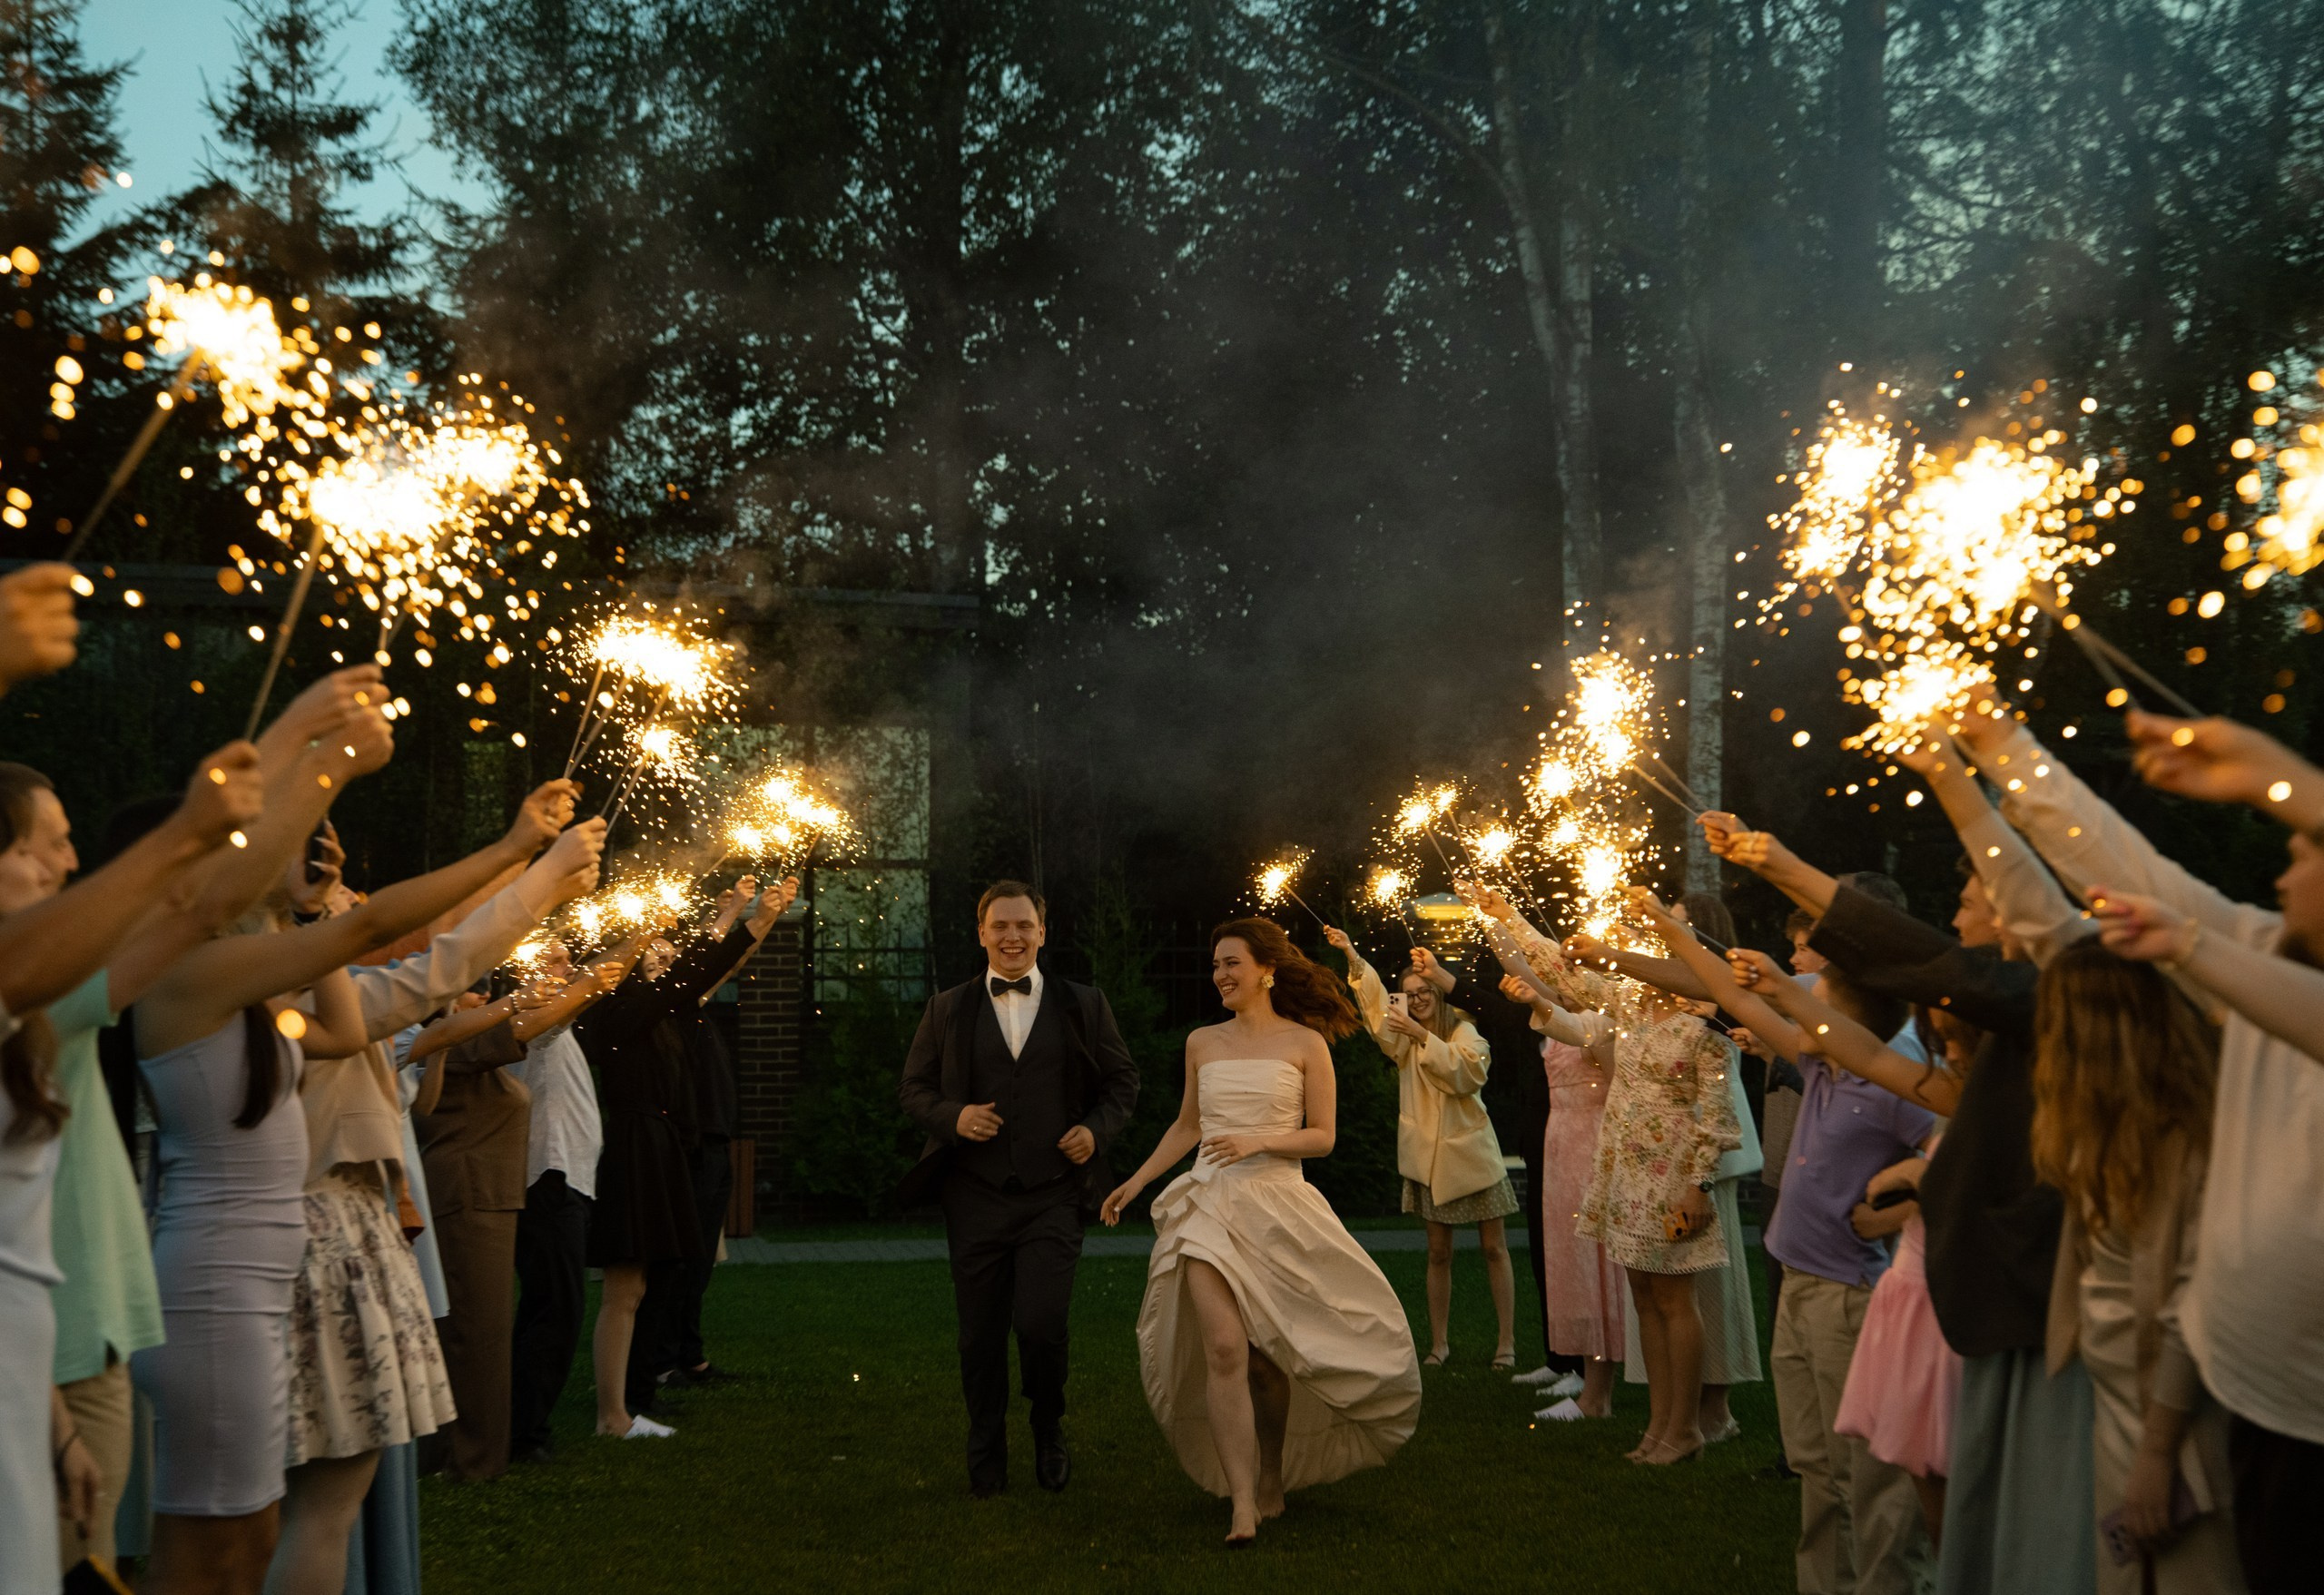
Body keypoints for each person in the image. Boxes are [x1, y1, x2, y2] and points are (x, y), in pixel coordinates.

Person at [1955, 699, 2324, 1593]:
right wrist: (1993, 747)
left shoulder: (2245, 968)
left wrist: (2289, 783)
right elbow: (2114, 864)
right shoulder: (2261, 951)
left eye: (2307, 850)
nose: (2283, 872)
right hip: (2254, 1407)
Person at [1706, 783, 2100, 1595]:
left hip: (2028, 1311)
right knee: (1950, 1498)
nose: (1957, 917)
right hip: (1982, 1303)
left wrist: (1776, 860)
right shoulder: (1995, 1040)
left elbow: (1915, 961)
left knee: (2011, 1513)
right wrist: (1785, 992)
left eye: (1967, 899)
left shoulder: (2055, 1005)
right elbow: (1871, 1052)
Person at [0, 743, 261, 1593]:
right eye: (46, 842)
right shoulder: (40, 992)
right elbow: (200, 912)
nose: (70, 863)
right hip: (60, 1345)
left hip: (71, 1337)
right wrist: (304, 759)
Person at [1102, 916, 1421, 1544]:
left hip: (1278, 1205)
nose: (1219, 974)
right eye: (1215, 964)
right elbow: (1187, 1125)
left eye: (1231, 963)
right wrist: (1136, 1182)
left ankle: (1272, 1472)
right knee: (1224, 1348)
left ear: (1265, 969)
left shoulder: (1306, 1044)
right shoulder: (1202, 1041)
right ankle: (1242, 1503)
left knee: (1269, 1366)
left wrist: (1259, 1140)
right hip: (1209, 1207)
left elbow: (1323, 1137)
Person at [1474, 885, 1743, 1465]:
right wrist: (1510, 917)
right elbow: (1562, 971)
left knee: (1676, 1301)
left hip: (1673, 1177)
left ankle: (1687, 1429)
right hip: (1626, 1173)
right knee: (1645, 1298)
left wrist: (1697, 1186)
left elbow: (1717, 1121)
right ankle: (1657, 1428)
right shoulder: (1630, 1006)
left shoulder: (1706, 1029)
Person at [896, 881, 1140, 1497]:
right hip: (974, 1195)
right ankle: (985, 1450)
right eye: (1000, 925)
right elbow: (914, 1089)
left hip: (1053, 1195)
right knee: (978, 1333)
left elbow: (1122, 1080)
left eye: (1023, 925)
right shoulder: (947, 1008)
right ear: (980, 932)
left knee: (1040, 1322)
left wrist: (1094, 1129)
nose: (1012, 936)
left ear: (1042, 931)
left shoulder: (1084, 1003)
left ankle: (1047, 1421)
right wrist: (954, 1117)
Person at [2028, 938, 2245, 1593]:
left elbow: (2193, 1302)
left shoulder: (2192, 1143)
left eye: (2056, 1021)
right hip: (2120, 1397)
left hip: (2177, 1414)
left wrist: (2159, 1449)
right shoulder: (2102, 1129)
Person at [580, 877, 795, 1441]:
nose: (659, 953)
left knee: (650, 1282)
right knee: (626, 1285)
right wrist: (742, 922)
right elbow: (690, 975)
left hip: (662, 1146)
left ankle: (632, 1399)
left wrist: (756, 920)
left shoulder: (654, 1012)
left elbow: (698, 974)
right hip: (636, 1148)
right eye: (647, 948)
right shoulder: (615, 1011)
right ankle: (615, 1411)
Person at [1322, 926, 1516, 1369]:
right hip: (1426, 1159)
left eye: (1426, 989)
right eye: (1409, 992)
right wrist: (1352, 952)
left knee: (1494, 1249)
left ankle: (1506, 1344)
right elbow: (1374, 1010)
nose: (1419, 997)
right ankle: (1439, 1344)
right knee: (1437, 1252)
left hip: (1473, 1158)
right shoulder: (1401, 1038)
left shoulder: (1464, 1029)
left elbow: (1466, 1074)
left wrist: (1420, 1033)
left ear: (1439, 992)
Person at [507, 935, 643, 1465]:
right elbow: (596, 982)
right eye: (555, 957)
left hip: (569, 1181)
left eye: (569, 956)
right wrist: (639, 937)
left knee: (552, 1308)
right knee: (554, 1309)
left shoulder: (552, 1016)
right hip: (549, 1181)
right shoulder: (538, 1013)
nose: (568, 965)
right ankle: (524, 1434)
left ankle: (522, 1425)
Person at [1496, 972, 1626, 1422]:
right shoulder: (1560, 1021)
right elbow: (1525, 969)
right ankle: (1578, 1372)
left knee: (1593, 1261)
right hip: (1560, 1145)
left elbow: (1623, 1094)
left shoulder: (1602, 1026)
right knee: (1569, 1258)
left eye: (1570, 978)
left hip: (1592, 1145)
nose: (1562, 984)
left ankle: (1597, 1391)